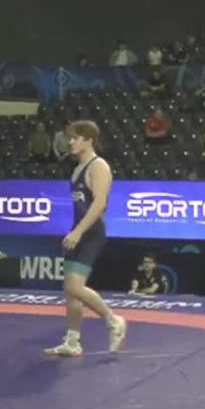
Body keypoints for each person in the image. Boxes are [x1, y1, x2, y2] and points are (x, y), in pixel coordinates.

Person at [45, 120, 127, 357]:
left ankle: (114, 321)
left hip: (90, 233)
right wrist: (75, 230)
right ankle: (73, 341)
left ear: (89, 140)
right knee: (70, 290)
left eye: (75, 138)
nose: (70, 142)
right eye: (70, 138)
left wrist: (78, 231)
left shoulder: (98, 166)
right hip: (78, 230)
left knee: (75, 286)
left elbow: (100, 204)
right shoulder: (77, 169)